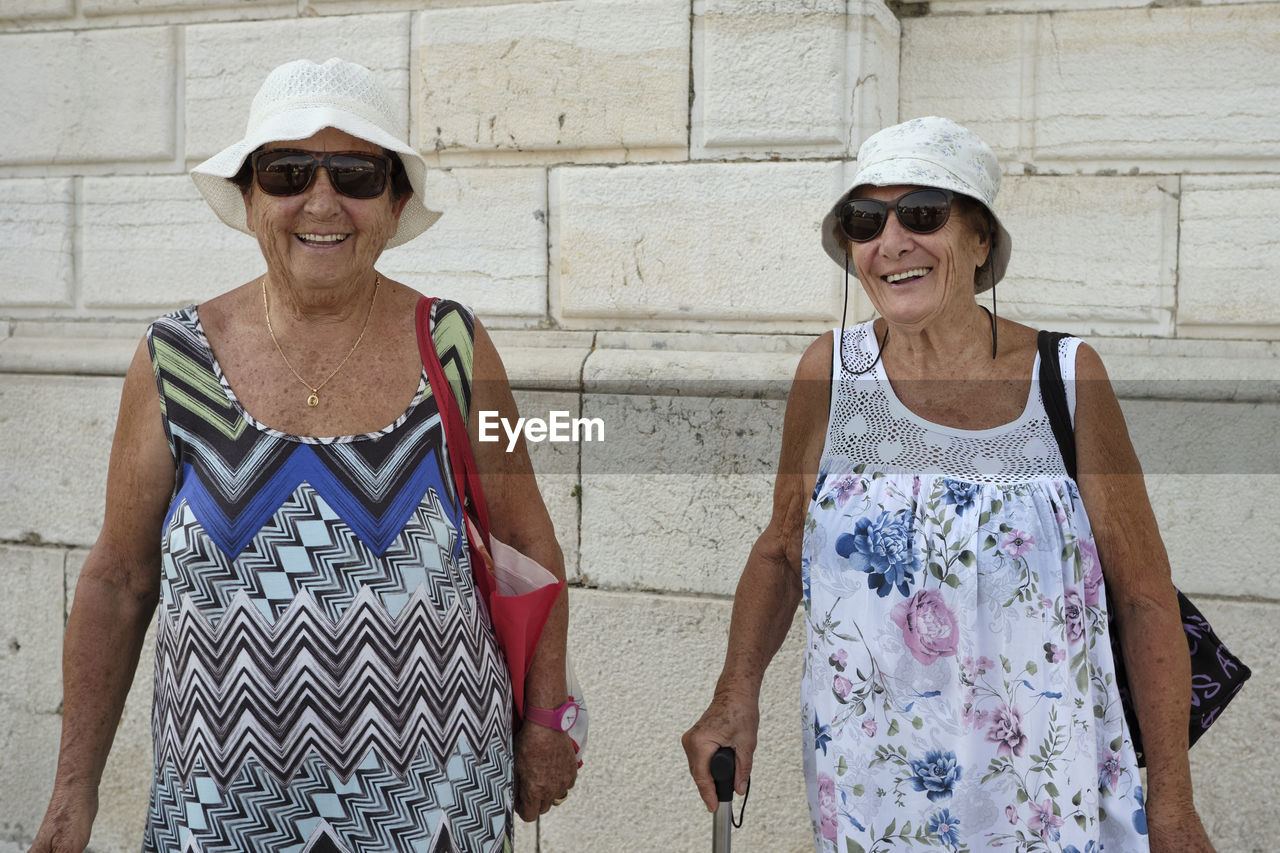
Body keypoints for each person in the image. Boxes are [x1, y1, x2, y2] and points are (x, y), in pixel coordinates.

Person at [28, 58, 577, 853]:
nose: (322, 202)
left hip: (432, 809)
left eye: (356, 174)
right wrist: (71, 791)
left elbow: (529, 538)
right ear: (251, 197)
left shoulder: (454, 346)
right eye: (287, 172)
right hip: (223, 816)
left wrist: (546, 719)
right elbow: (118, 579)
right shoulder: (172, 361)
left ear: (393, 202)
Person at [682, 116, 1214, 852]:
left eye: (923, 213)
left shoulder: (1065, 377)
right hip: (877, 793)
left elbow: (1145, 598)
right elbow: (781, 551)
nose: (891, 242)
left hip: (1046, 792)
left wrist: (1175, 804)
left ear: (980, 239)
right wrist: (734, 694)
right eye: (865, 221)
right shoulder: (831, 374)